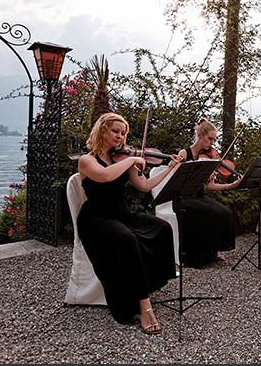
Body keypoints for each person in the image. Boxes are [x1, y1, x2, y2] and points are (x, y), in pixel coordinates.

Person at [77, 112, 182, 335]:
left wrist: (170, 168)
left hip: (121, 214)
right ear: (102, 130)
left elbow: (143, 186)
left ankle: (148, 284)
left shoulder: (122, 159)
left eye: (123, 133)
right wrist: (133, 160)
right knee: (126, 238)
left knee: (162, 227)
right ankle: (143, 306)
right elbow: (105, 176)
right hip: (96, 218)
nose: (120, 136)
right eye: (115, 131)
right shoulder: (87, 160)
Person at [173, 117, 242, 268]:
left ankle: (212, 251)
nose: (212, 143)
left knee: (224, 212)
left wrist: (230, 185)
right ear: (200, 136)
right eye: (210, 139)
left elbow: (209, 187)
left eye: (214, 140)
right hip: (182, 198)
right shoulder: (184, 154)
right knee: (204, 212)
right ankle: (195, 257)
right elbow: (177, 181)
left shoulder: (208, 158)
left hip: (198, 196)